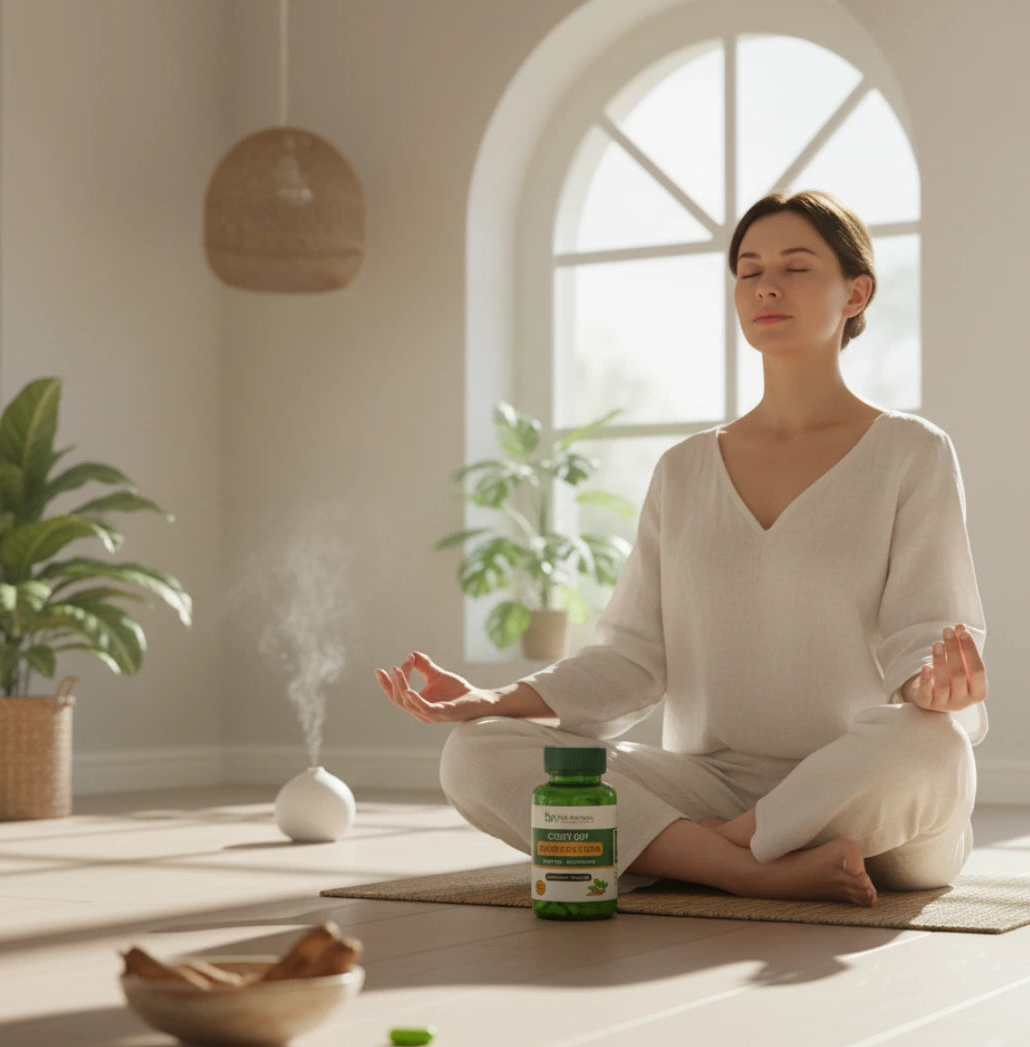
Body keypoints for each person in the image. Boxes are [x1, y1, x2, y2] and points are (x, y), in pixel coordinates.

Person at [376, 189, 988, 907]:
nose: (765, 285)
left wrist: (933, 686)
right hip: (709, 783)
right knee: (477, 750)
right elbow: (633, 657)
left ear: (856, 293)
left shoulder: (911, 452)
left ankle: (709, 850)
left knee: (935, 746)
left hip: (862, 789)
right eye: (748, 269)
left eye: (796, 268)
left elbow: (928, 629)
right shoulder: (685, 469)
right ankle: (747, 868)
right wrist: (499, 699)